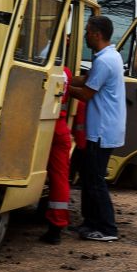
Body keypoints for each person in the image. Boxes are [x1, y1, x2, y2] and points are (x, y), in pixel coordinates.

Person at [67, 15, 126, 242]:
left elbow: (85, 93)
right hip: (105, 128)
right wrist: (67, 78)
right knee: (90, 177)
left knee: (95, 180)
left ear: (97, 34)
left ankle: (108, 228)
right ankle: (91, 222)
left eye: (87, 32)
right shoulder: (110, 56)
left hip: (102, 130)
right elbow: (87, 79)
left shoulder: (104, 61)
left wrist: (62, 86)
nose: (85, 36)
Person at [39, 63, 74, 244]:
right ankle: (56, 227)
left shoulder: (41, 65)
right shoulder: (66, 71)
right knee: (59, 177)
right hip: (59, 126)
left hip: (41, 123)